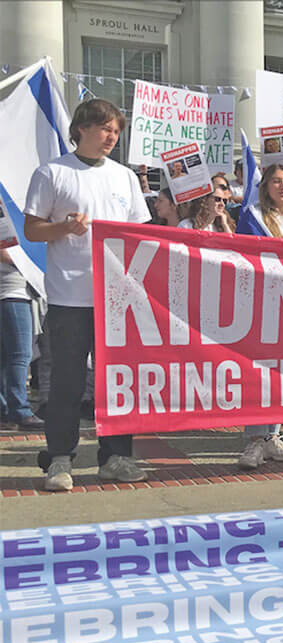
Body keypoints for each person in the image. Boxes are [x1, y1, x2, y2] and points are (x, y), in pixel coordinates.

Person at [22, 98, 152, 491]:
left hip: (116, 298)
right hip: (69, 297)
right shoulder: (52, 173)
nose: (111, 136)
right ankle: (60, 458)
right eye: (104, 128)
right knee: (67, 382)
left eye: (116, 130)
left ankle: (115, 457)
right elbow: (32, 229)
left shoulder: (125, 177)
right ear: (80, 128)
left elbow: (139, 235)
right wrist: (63, 228)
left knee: (117, 382)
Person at [235, 163, 283, 469]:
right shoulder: (252, 216)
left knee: (282, 372)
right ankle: (254, 440)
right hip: (261, 302)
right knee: (258, 371)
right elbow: (247, 256)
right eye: (276, 182)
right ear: (265, 186)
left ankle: (273, 435)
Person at [0, 248, 39, 430]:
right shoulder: (7, 220)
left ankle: (6, 412)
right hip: (12, 292)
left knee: (8, 357)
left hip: (12, 292)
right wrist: (29, 259)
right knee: (20, 355)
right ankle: (20, 411)